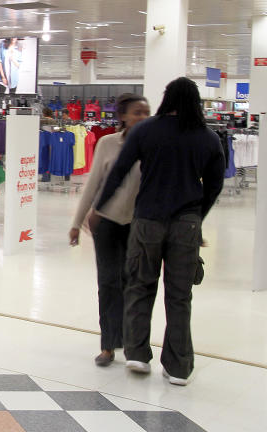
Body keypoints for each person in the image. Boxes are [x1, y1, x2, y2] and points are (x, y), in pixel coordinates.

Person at [96, 77, 224, 385]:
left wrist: (101, 205)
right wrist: (198, 215)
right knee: (180, 296)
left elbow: (120, 170)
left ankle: (138, 354)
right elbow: (215, 185)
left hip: (147, 220)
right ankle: (178, 367)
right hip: (186, 222)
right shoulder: (208, 138)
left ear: (166, 99)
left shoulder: (145, 130)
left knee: (140, 285)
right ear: (196, 102)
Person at [69, 93, 150, 366]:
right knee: (108, 282)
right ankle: (107, 346)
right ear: (123, 116)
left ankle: (132, 345)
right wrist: (75, 223)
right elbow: (92, 185)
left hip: (137, 225)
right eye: (137, 112)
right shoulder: (107, 143)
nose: (142, 117)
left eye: (146, 112)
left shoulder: (153, 145)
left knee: (133, 283)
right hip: (106, 222)